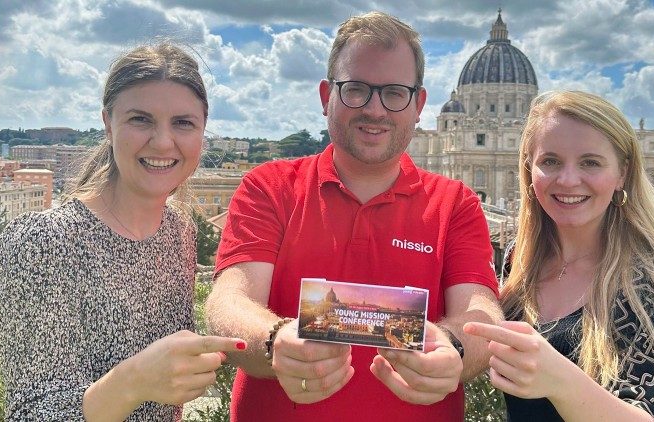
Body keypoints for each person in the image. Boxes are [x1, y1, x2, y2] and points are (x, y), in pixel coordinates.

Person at [205, 11, 503, 422]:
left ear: (418, 104)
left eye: (394, 93)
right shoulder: (268, 186)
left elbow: (482, 313)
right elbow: (229, 301)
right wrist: (274, 341)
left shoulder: (457, 203)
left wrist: (454, 347)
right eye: (356, 89)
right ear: (327, 95)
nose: (375, 110)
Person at [0, 42, 247, 421]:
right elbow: (29, 413)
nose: (163, 142)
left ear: (203, 132)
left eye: (183, 123)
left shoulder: (178, 230)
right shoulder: (43, 242)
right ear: (107, 123)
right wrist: (133, 380)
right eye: (140, 119)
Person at [464, 90, 654, 421]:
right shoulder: (519, 263)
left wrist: (559, 381)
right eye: (550, 161)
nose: (568, 180)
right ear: (528, 171)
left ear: (622, 173)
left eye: (590, 162)